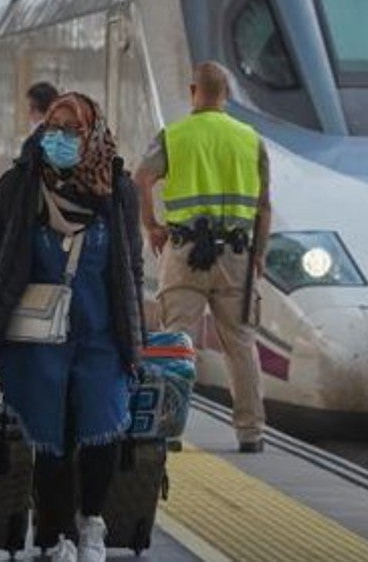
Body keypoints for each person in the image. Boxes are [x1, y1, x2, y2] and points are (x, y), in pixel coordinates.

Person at [0, 93, 145, 562]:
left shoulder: (118, 190)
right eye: (53, 126)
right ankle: (52, 535)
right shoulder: (18, 186)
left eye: (72, 129)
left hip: (100, 332)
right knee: (51, 437)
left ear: (93, 134)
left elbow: (131, 266)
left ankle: (93, 523)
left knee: (102, 426)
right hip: (36, 338)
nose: (59, 138)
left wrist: (137, 337)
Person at [133, 61, 272, 453]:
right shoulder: (251, 140)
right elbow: (264, 206)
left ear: (194, 91)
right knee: (241, 344)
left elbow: (139, 179)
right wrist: (259, 253)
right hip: (236, 256)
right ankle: (251, 433)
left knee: (177, 342)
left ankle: (168, 427)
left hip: (185, 253)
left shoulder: (174, 137)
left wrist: (152, 225)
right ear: (225, 95)